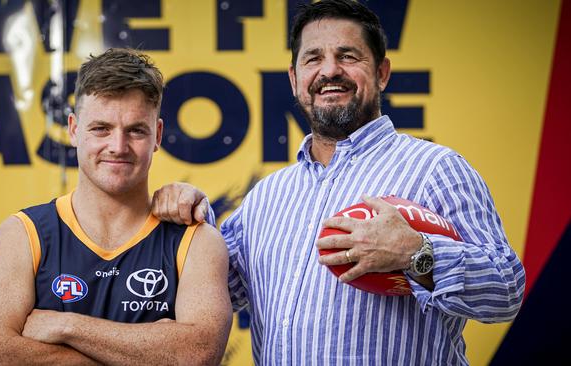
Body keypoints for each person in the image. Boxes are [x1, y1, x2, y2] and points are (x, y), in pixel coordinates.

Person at [152, 0, 525, 364]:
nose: (329, 71)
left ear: (382, 73)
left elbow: (506, 293)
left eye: (348, 56)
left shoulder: (436, 169)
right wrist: (187, 214)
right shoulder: (267, 196)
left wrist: (414, 253)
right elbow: (205, 292)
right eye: (313, 58)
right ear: (295, 79)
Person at [0, 48, 232, 365]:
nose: (118, 147)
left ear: (158, 135)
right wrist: (150, 351)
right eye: (101, 128)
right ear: (73, 129)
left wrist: (66, 326)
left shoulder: (196, 241)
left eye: (136, 130)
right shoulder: (23, 235)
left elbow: (196, 355)